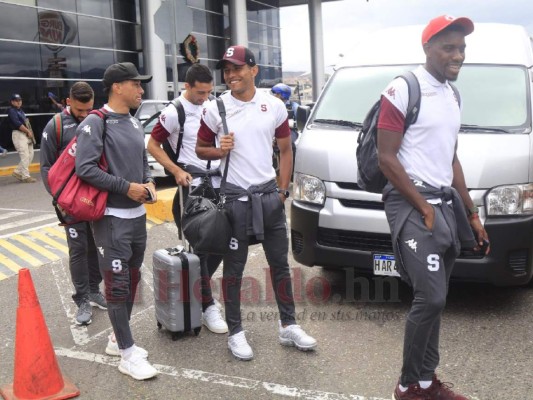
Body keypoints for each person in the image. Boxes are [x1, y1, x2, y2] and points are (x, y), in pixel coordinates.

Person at [376, 16, 490, 399]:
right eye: (449, 48)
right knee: (432, 297)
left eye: (461, 48)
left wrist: (472, 214)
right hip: (411, 203)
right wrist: (423, 207)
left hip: (444, 203)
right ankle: (408, 385)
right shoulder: (403, 88)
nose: (457, 55)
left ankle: (427, 381)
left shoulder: (453, 95)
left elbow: (451, 159)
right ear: (427, 47)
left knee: (438, 295)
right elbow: (386, 158)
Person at [196, 45, 317, 361]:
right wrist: (218, 150)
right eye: (227, 70)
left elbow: (286, 150)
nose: (231, 75)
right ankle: (235, 332)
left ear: (253, 70)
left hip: (269, 198)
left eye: (237, 68)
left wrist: (282, 191)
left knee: (280, 265)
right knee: (234, 270)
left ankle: (287, 325)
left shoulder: (274, 106)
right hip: (235, 199)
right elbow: (200, 149)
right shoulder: (214, 109)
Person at [75, 62, 158, 380]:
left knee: (132, 279)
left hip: (137, 217)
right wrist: (127, 188)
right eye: (136, 84)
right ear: (117, 87)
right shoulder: (97, 123)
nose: (141, 90)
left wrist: (148, 183)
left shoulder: (134, 123)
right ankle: (126, 353)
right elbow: (85, 168)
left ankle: (115, 339)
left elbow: (142, 161)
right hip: (112, 219)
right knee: (118, 286)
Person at [147, 63, 228, 334]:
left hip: (220, 183)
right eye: (200, 92)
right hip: (192, 186)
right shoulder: (174, 112)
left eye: (209, 91)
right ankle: (207, 305)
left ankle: (199, 289)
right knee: (201, 247)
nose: (205, 97)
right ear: (187, 87)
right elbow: (152, 145)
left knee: (223, 243)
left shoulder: (215, 106)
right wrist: (176, 170)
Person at [40, 82, 107, 326]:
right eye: (80, 110)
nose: (84, 115)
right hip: (68, 202)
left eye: (88, 109)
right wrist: (59, 200)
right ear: (68, 102)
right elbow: (46, 167)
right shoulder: (56, 126)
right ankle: (81, 299)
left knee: (96, 246)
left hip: (93, 199)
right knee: (78, 249)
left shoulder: (98, 120)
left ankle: (94, 289)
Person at [8, 94, 36, 183]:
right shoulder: (12, 111)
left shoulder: (21, 111)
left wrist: (30, 132)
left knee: (30, 155)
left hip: (26, 134)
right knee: (25, 155)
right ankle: (25, 176)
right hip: (19, 134)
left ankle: (17, 172)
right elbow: (17, 124)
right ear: (12, 102)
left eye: (20, 100)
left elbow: (26, 123)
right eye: (16, 100)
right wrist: (28, 131)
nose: (19, 102)